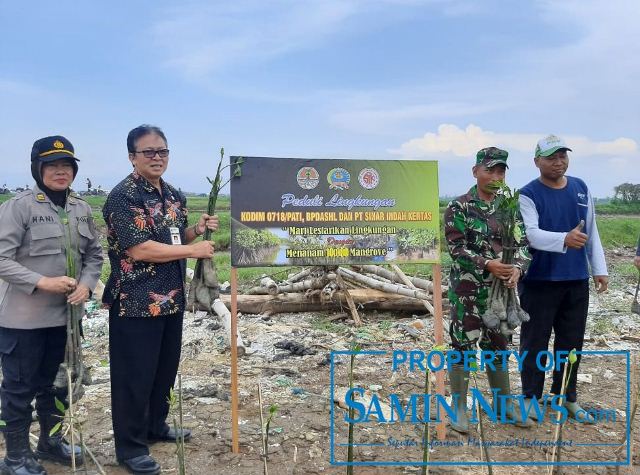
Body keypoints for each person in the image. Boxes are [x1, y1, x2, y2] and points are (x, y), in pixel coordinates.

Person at [103, 125, 218, 475]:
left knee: (163, 371)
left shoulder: (172, 195)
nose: (157, 157)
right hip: (135, 302)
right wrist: (193, 249)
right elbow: (140, 248)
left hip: (171, 299)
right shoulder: (123, 197)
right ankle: (131, 446)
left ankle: (156, 426)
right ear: (132, 157)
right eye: (148, 152)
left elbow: (170, 237)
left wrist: (194, 232)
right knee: (134, 376)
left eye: (162, 151)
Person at [0, 136, 103, 475]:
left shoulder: (81, 208)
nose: (61, 172)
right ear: (38, 169)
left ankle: (50, 442)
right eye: (52, 165)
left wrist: (87, 286)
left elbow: (94, 257)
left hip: (65, 319)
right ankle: (15, 456)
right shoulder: (19, 207)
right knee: (19, 388)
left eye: (67, 166)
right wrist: (41, 282)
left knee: (56, 383)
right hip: (24, 320)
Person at [518, 134, 608, 423]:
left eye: (563, 156)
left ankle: (565, 396)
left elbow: (591, 230)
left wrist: (599, 268)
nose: (559, 162)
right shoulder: (527, 194)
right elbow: (531, 234)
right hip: (540, 281)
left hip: (575, 279)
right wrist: (564, 239)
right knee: (535, 342)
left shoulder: (581, 188)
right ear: (537, 162)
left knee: (571, 344)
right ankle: (531, 397)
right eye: (551, 157)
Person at [444, 147, 532, 433]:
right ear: (475, 171)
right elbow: (456, 249)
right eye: (490, 170)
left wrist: (517, 268)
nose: (496, 176)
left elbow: (523, 246)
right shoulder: (460, 207)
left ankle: (503, 403)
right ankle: (458, 407)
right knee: (463, 345)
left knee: (498, 344)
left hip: (500, 293)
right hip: (468, 291)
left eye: (501, 171)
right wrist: (488, 264)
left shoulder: (509, 208)